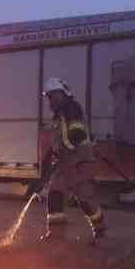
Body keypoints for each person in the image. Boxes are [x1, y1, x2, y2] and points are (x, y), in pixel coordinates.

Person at [34, 78, 105, 242]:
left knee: (70, 195)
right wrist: (44, 173)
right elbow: (57, 144)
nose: (52, 99)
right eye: (50, 96)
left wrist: (62, 152)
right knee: (70, 195)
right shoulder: (61, 114)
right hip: (73, 162)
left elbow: (77, 134)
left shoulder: (71, 108)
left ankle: (95, 230)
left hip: (77, 161)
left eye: (55, 95)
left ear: (64, 93)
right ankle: (95, 231)